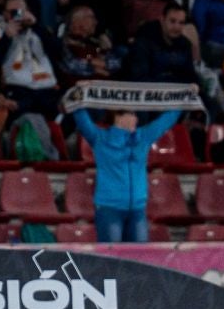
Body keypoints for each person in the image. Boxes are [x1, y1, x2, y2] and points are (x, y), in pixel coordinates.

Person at [73, 104, 185, 244]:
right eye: (132, 114)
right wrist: (78, 99)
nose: (136, 119)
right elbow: (82, 120)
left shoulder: (143, 137)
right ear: (118, 117)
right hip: (109, 208)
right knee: (111, 257)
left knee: (139, 257)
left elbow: (166, 121)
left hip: (137, 209)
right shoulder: (100, 138)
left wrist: (183, 100)